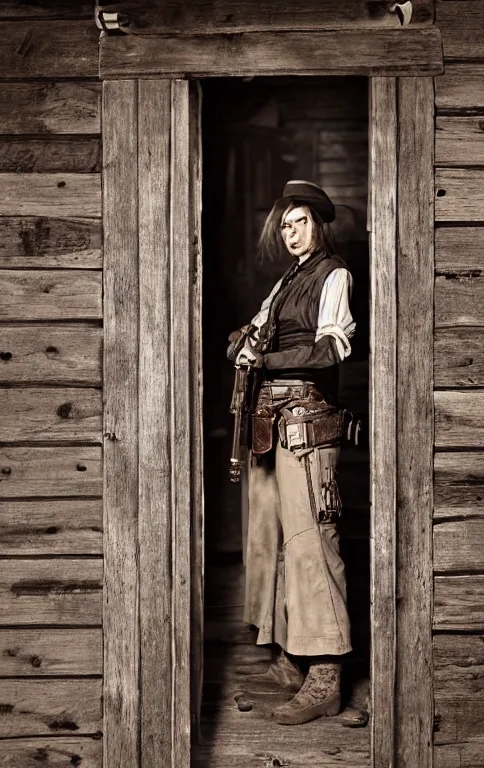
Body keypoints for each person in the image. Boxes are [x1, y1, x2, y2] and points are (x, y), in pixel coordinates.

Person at [229, 179, 355, 726]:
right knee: (273, 538)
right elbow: (255, 333)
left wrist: (266, 362)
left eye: (300, 222)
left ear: (319, 224)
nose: (291, 234)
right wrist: (242, 342)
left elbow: (332, 348)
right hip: (270, 420)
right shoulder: (285, 281)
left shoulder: (335, 274)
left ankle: (326, 672)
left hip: (307, 420)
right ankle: (291, 660)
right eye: (284, 225)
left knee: (310, 542)